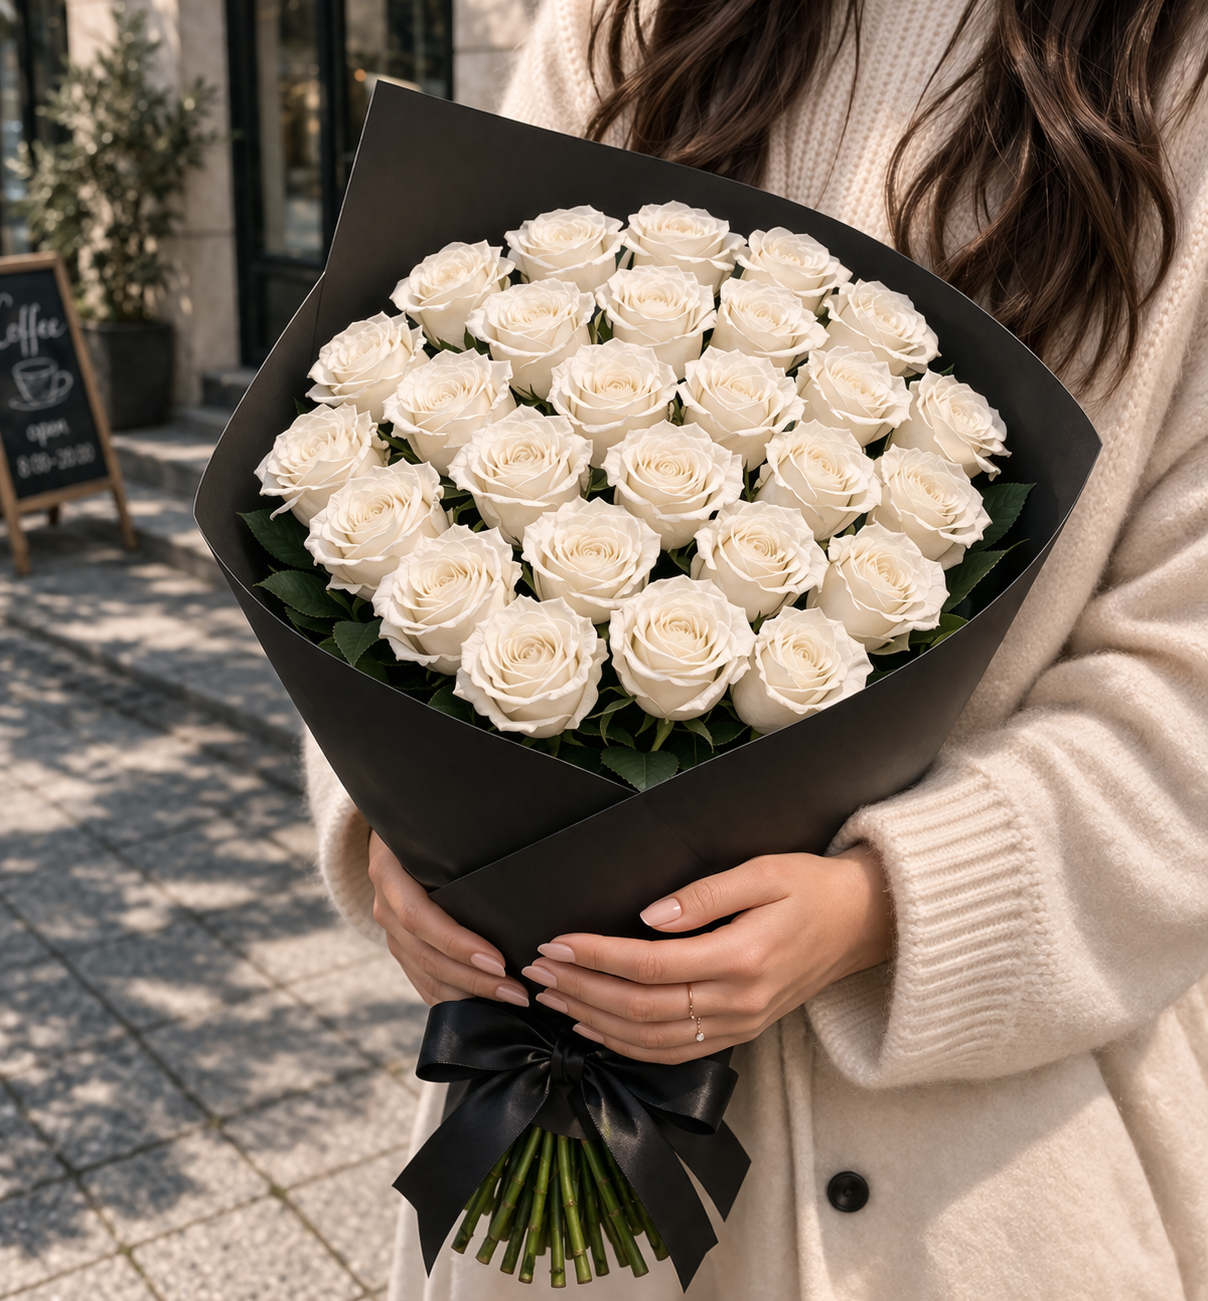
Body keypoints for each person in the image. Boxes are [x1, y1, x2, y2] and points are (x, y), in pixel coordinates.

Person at [307, 1, 1208, 1296]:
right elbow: (407, 429)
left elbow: (1185, 688)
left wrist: (886, 902)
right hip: (540, 1074)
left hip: (988, 1190)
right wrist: (391, 812)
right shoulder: (632, 22)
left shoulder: (1179, 87)